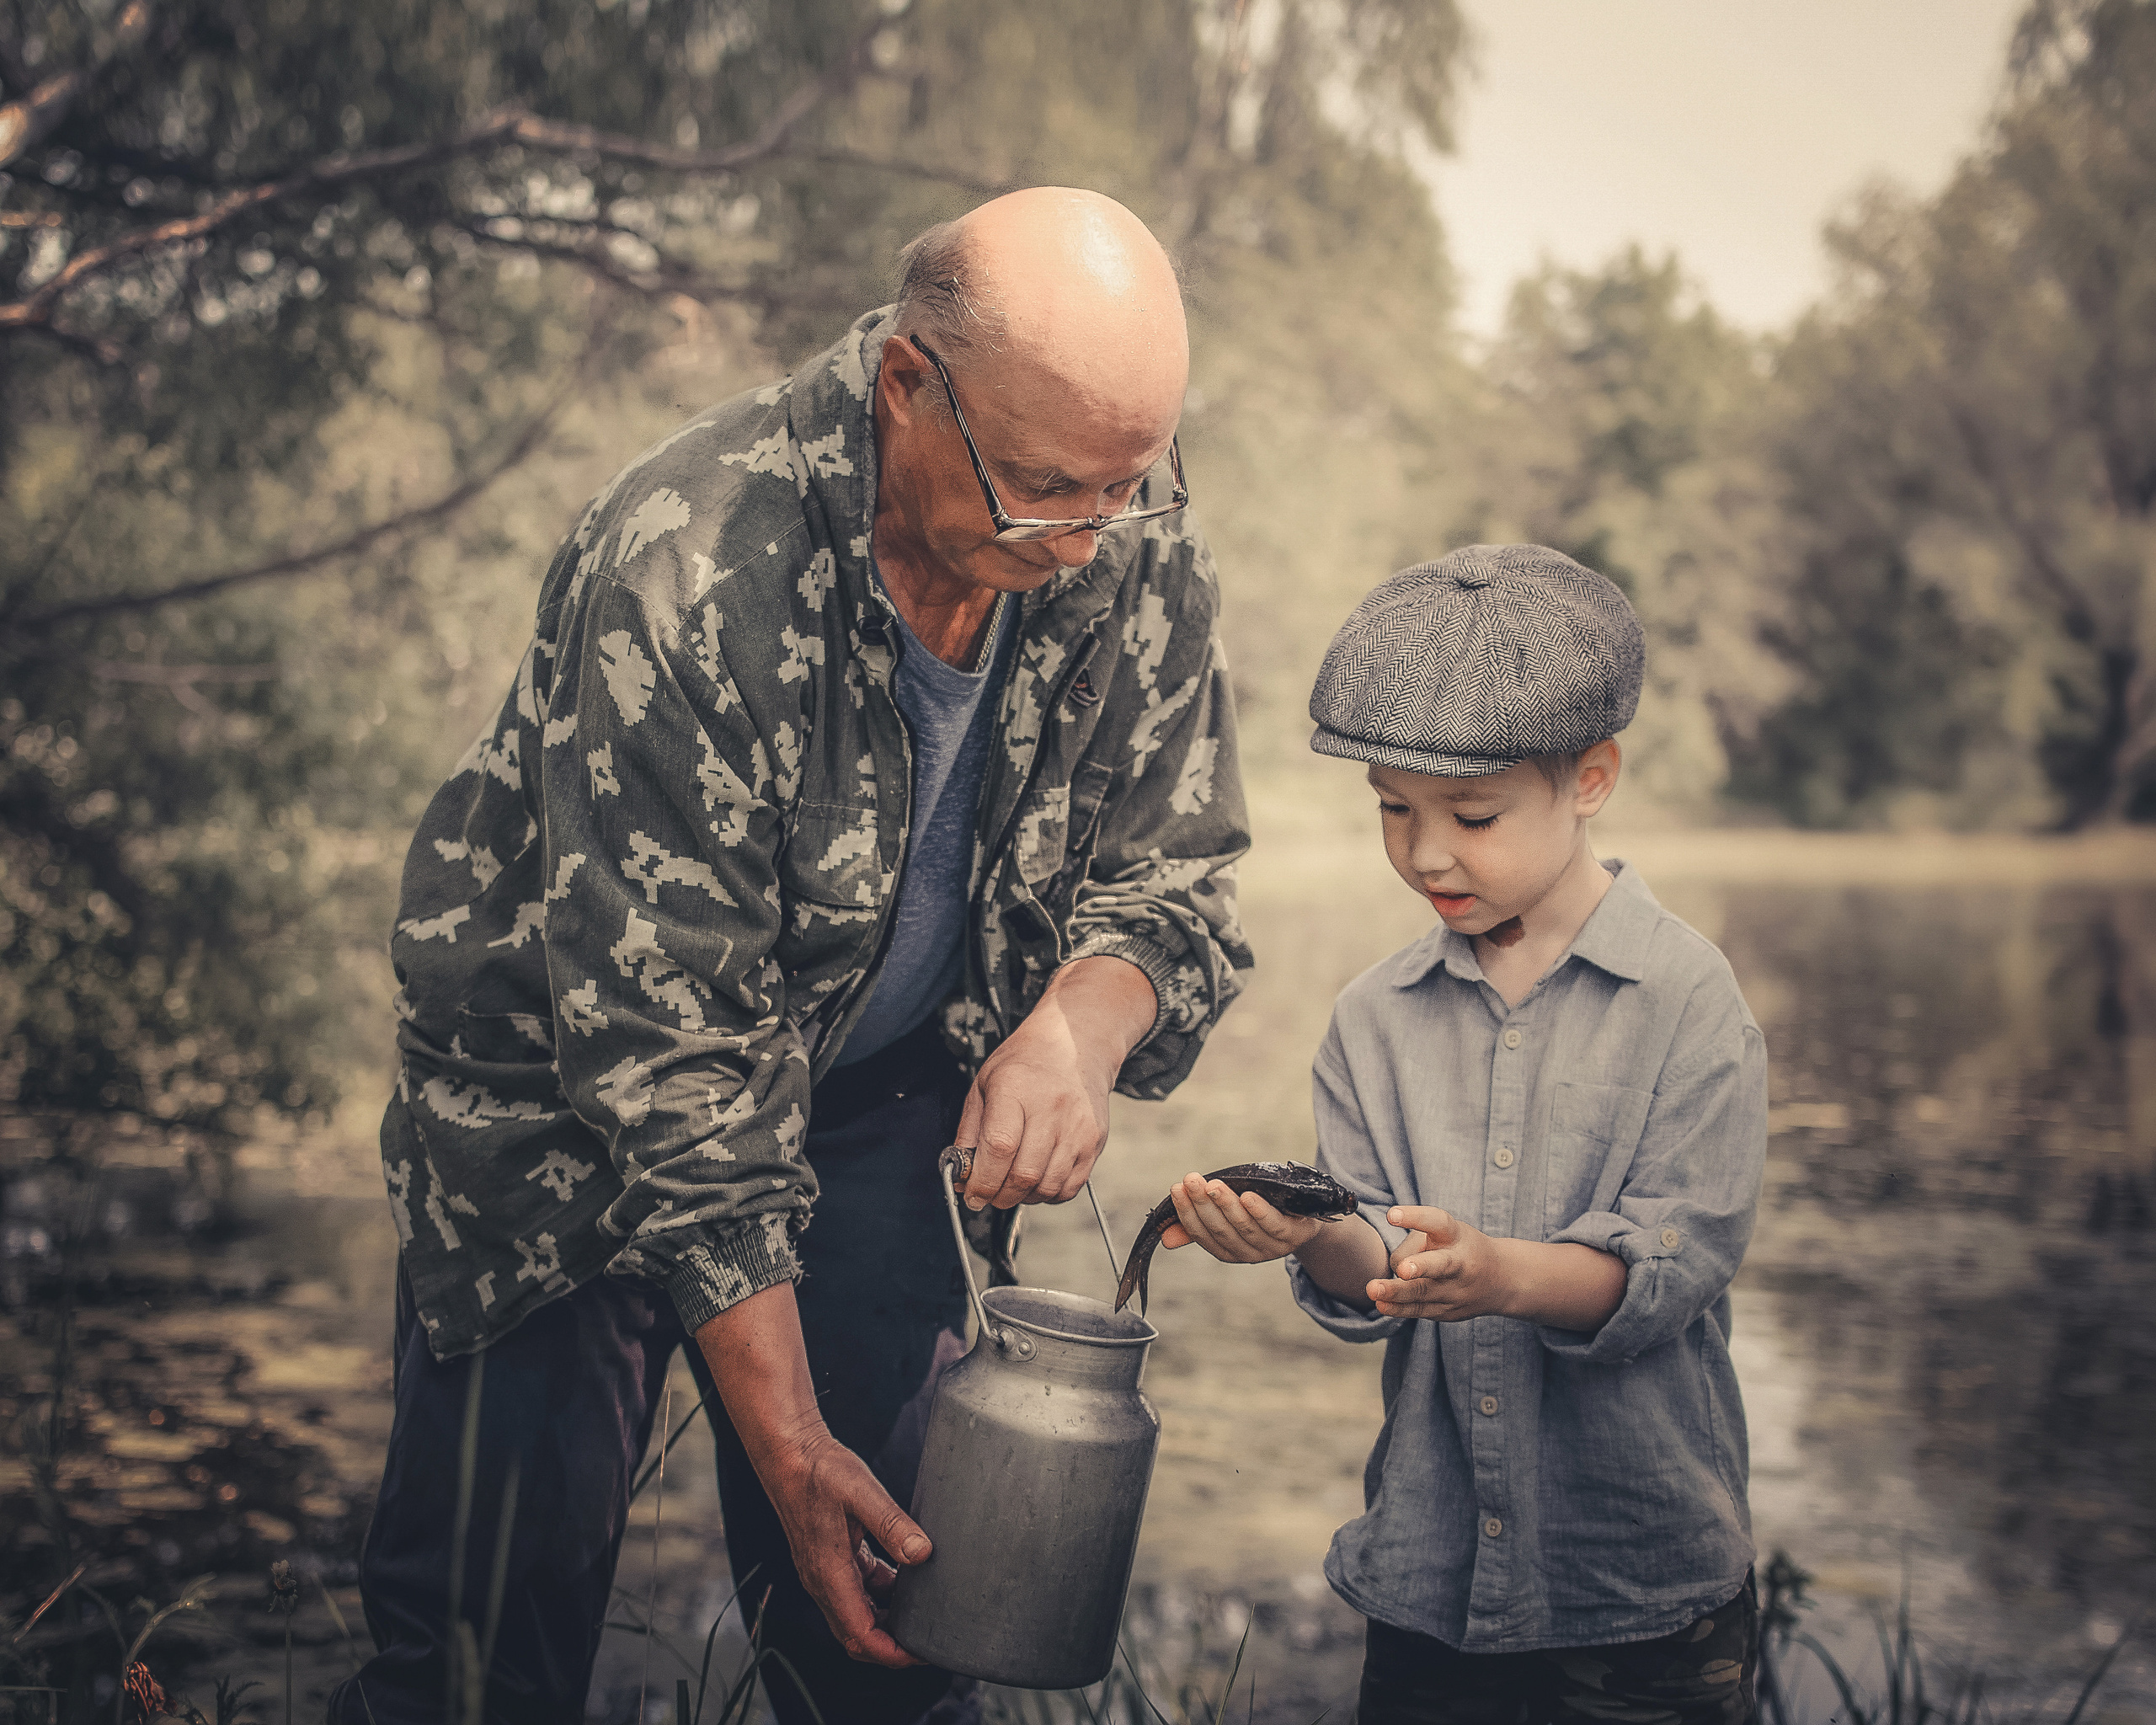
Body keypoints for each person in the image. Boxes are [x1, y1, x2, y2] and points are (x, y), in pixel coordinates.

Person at [330, 188, 1251, 1725]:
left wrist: (1075, 1032)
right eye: (1043, 489)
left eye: (1125, 486)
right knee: (477, 1662)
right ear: (909, 389)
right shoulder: (689, 569)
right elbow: (672, 1080)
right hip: (564, 1112)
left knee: (896, 1631)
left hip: (878, 1098)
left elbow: (1179, 879)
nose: (1089, 537)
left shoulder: (1115, 527)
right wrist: (785, 1444)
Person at [1157, 544, 1767, 1725]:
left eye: (1472, 815)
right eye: (1392, 808)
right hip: (1432, 1580)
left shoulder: (1688, 1001)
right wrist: (1309, 1235)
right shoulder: (1372, 1017)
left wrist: (1499, 1276)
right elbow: (1377, 1259)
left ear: (1591, 779)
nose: (1426, 852)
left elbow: (1670, 1273)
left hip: (1639, 1591)